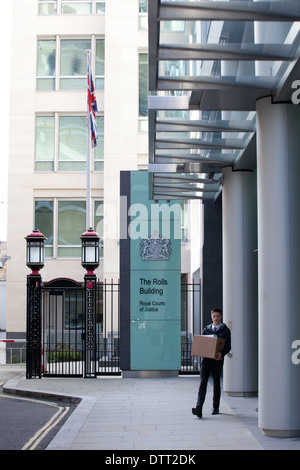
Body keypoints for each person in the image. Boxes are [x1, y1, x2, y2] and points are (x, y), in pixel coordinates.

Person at [192, 307, 231, 418]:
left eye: (218, 316)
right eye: (214, 316)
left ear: (221, 316)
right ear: (211, 316)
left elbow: (228, 346)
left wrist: (221, 353)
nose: (216, 318)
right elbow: (202, 343)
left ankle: (215, 407)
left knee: (216, 384)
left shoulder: (225, 330)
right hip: (206, 360)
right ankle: (198, 409)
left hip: (217, 361)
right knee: (202, 384)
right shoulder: (207, 329)